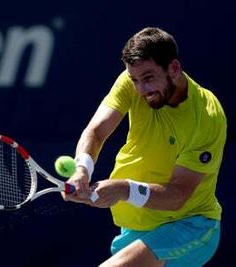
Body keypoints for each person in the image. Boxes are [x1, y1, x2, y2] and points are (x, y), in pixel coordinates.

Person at [63, 27, 227, 266]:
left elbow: (177, 195)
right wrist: (82, 169)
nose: (141, 89)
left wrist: (123, 189)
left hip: (190, 225)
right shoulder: (131, 83)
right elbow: (97, 131)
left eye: (149, 78)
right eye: (135, 80)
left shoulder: (208, 116)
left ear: (174, 68)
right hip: (136, 228)